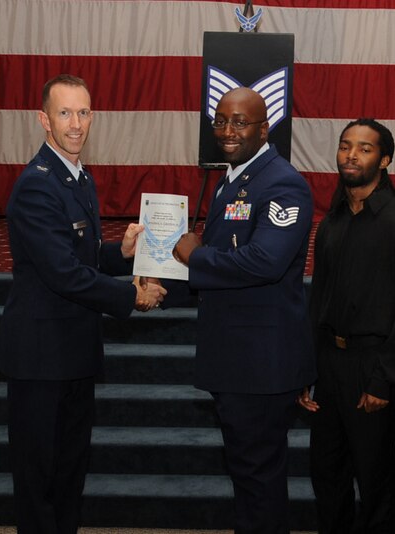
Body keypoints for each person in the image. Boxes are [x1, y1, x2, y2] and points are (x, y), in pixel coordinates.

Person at [0, 74, 166, 533]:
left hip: (74, 353)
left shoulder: (78, 176)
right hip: (40, 359)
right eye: (65, 113)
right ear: (44, 120)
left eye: (83, 112)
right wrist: (132, 295)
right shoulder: (37, 185)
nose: (76, 124)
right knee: (39, 483)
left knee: (69, 476)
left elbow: (80, 256)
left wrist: (121, 254)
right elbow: (63, 274)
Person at [161, 87, 315, 534]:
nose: (228, 131)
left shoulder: (282, 183)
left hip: (260, 364)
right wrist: (157, 288)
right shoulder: (233, 179)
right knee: (248, 475)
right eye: (221, 121)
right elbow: (223, 269)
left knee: (258, 478)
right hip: (236, 360)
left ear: (264, 129)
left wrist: (196, 256)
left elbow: (265, 262)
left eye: (240, 122)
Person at [297, 119, 395, 533]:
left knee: (375, 481)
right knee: (327, 472)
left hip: (372, 366)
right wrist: (307, 367)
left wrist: (384, 380)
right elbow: (318, 300)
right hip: (328, 363)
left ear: (384, 160)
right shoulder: (333, 220)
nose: (351, 155)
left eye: (365, 149)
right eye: (345, 146)